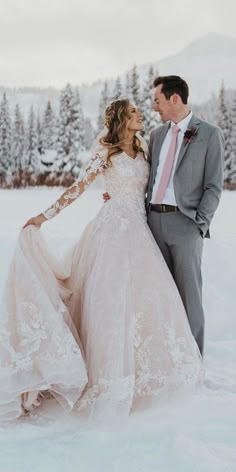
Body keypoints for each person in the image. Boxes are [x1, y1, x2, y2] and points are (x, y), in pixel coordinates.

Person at [0, 98, 202, 422]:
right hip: (111, 234)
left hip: (139, 231)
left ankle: (145, 377)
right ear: (122, 118)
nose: (140, 114)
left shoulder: (143, 151)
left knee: (147, 303)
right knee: (108, 303)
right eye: (134, 111)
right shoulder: (106, 154)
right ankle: (102, 377)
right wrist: (43, 215)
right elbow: (76, 189)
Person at [146, 75, 224, 356]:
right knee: (158, 295)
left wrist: (199, 224)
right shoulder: (156, 136)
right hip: (153, 223)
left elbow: (214, 185)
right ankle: (165, 359)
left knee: (190, 297)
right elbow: (148, 178)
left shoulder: (209, 134)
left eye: (158, 100)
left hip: (186, 224)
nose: (155, 107)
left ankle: (193, 362)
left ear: (174, 98)